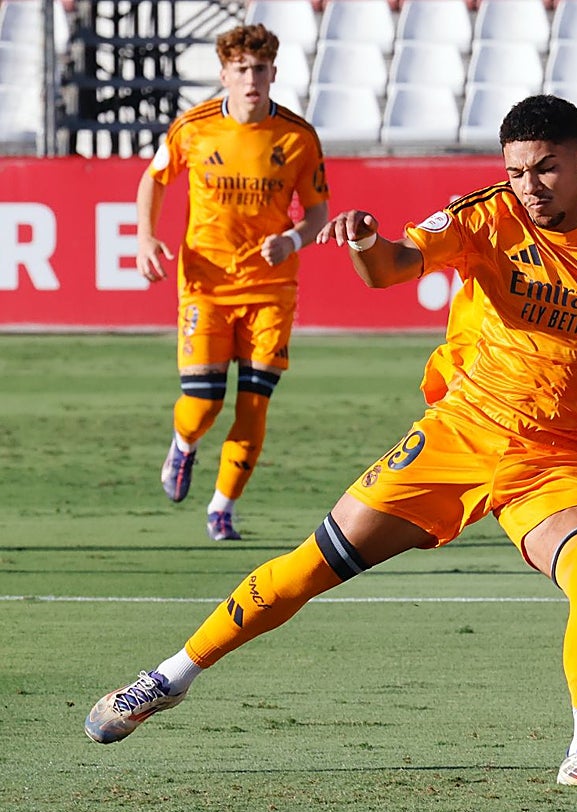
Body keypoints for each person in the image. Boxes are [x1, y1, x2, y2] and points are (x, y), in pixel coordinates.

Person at [86, 94, 577, 791]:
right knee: (310, 566)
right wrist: (364, 242)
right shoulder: (485, 215)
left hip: (558, 460)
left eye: (547, 168)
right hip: (458, 435)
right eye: (517, 170)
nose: (530, 186)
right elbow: (390, 268)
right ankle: (167, 678)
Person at [137, 23, 330, 541]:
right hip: (206, 284)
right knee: (203, 403)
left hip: (271, 288)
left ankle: (222, 507)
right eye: (241, 69)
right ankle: (184, 444)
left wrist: (292, 240)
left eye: (260, 69)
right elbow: (154, 179)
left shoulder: (298, 137)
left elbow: (318, 213)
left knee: (254, 401)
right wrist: (145, 237)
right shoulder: (193, 128)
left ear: (274, 73)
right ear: (224, 74)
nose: (251, 79)